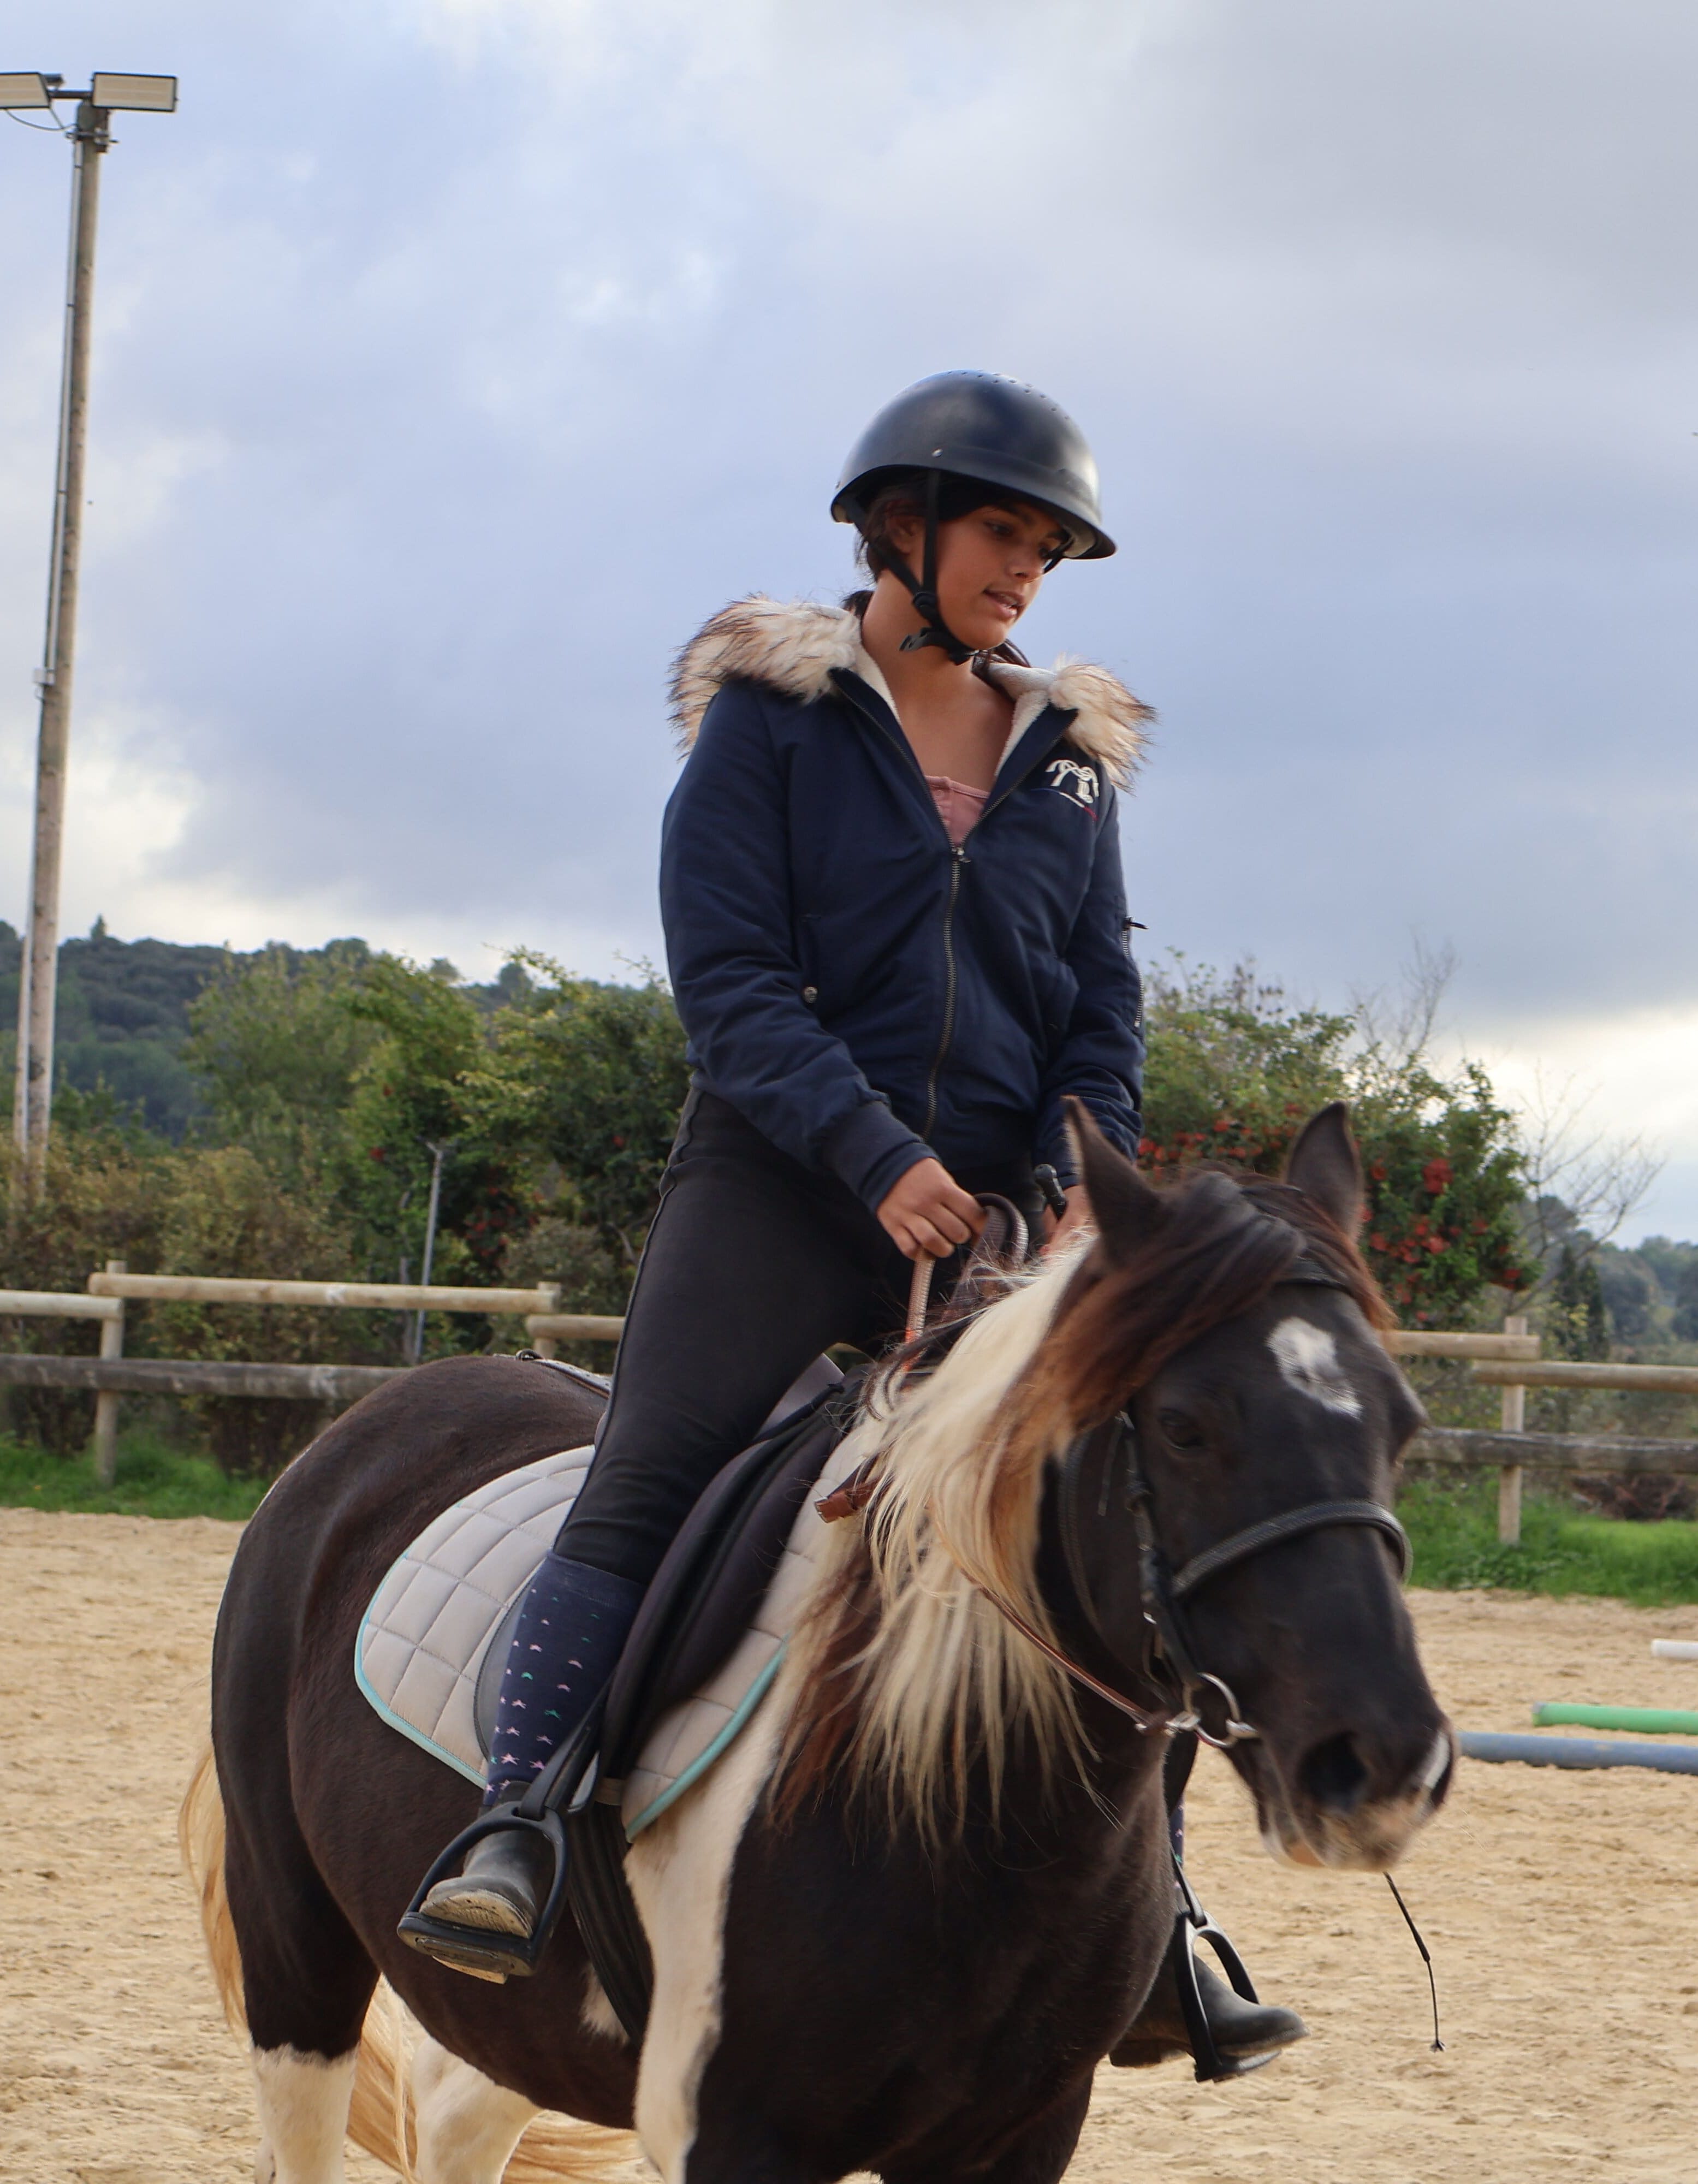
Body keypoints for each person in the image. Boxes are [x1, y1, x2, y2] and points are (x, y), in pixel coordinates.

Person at [407, 370, 1304, 2067]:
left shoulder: (1072, 768)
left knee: (1119, 1526)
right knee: (647, 1479)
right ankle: (515, 1825)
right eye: (1003, 536)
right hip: (782, 1183)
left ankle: (1160, 1917)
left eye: (1046, 552)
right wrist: (871, 1153)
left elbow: (1102, 1010)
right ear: (902, 527)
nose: (1025, 573)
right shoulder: (773, 719)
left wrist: (1067, 1196)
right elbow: (730, 982)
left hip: (1007, 1228)